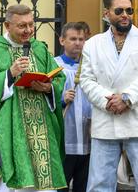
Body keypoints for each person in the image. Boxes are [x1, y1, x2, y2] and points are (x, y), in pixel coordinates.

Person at [0, 4, 67, 192]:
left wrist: (48, 88)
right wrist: (9, 74)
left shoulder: (39, 49)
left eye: (31, 25)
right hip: (11, 129)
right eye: (22, 26)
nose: (29, 30)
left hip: (42, 129)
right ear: (7, 26)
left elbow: (58, 78)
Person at [80, 0, 138, 192]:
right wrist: (108, 101)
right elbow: (86, 80)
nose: (125, 15)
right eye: (119, 11)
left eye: (129, 11)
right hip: (105, 117)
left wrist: (126, 98)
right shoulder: (92, 44)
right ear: (106, 14)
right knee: (100, 183)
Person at [55, 22, 91, 192]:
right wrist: (61, 99)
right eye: (73, 39)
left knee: (83, 187)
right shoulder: (54, 66)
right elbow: (41, 97)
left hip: (87, 138)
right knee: (61, 186)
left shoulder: (90, 68)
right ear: (62, 40)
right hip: (65, 140)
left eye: (81, 39)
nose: (78, 43)